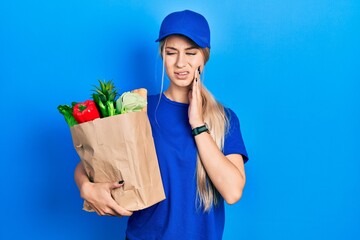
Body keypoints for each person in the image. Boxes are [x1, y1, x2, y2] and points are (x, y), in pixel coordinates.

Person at [74, 9, 248, 240]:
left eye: (191, 53)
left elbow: (233, 191)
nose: (180, 63)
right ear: (162, 55)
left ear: (204, 58)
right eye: (171, 52)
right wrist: (86, 187)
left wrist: (197, 124)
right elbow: (89, 163)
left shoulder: (224, 119)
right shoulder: (138, 108)